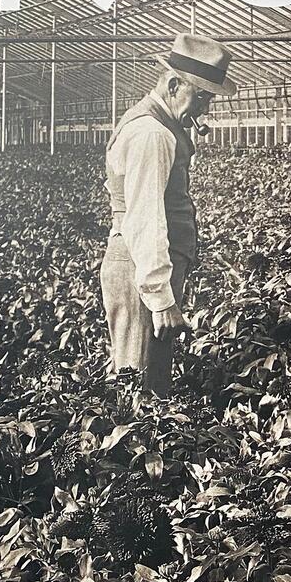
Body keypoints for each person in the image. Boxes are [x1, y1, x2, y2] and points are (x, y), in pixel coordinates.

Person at [100, 33, 236, 402]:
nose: (205, 108)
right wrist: (160, 298)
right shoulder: (151, 134)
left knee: (150, 381)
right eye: (202, 96)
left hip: (140, 268)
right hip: (138, 270)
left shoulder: (159, 125)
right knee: (136, 388)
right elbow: (145, 218)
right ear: (174, 84)